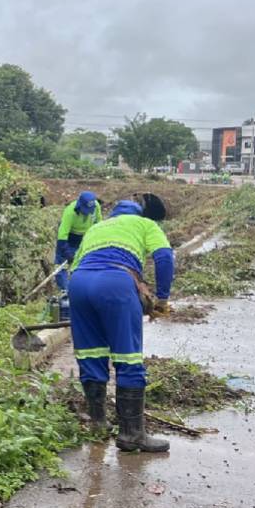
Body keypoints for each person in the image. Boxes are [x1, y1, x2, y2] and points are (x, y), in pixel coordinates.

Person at [68, 194, 174, 453]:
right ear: (139, 214)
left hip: (79, 283)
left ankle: (98, 424)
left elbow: (75, 264)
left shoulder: (96, 227)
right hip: (115, 282)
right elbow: (164, 257)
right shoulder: (145, 225)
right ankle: (131, 435)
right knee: (127, 358)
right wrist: (161, 298)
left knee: (91, 353)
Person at [55, 191, 102, 291]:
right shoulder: (70, 212)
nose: (87, 213)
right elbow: (62, 235)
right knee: (62, 267)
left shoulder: (96, 206)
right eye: (85, 210)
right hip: (68, 239)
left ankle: (79, 289)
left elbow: (99, 225)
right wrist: (67, 252)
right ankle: (65, 291)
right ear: (80, 205)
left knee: (82, 265)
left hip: (85, 237)